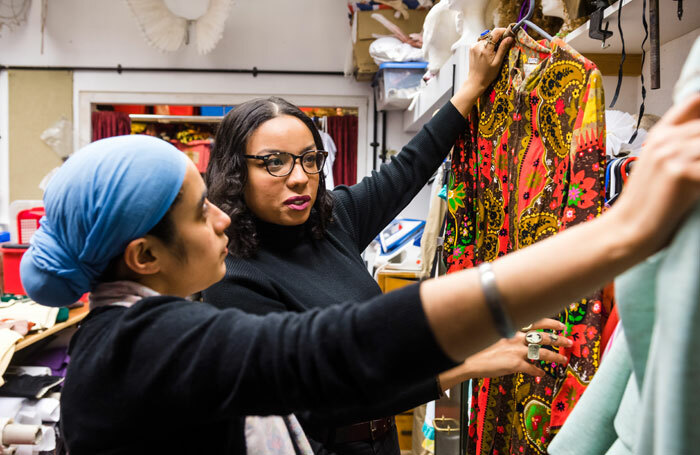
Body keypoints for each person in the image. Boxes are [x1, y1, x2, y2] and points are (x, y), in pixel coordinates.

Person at [19, 32, 700, 455]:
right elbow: (336, 351)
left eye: (311, 159)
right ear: (144, 256)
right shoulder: (151, 343)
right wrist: (622, 233)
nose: (220, 221)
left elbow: (405, 173)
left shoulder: (128, 332)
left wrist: (466, 96)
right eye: (202, 214)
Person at [202, 27, 554, 455]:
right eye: (274, 162)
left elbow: (408, 168)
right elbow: (318, 399)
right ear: (237, 172)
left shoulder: (332, 220)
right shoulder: (234, 276)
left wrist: (471, 88)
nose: (298, 177)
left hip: (381, 442)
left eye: (310, 159)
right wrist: (467, 361)